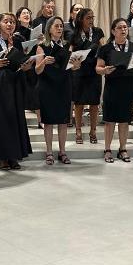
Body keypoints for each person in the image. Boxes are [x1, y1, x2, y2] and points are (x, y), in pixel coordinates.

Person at [0, 12, 34, 170]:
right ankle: (2, 157)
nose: (9, 24)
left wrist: (26, 65)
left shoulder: (18, 41)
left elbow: (20, 60)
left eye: (12, 22)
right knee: (2, 119)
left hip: (15, 82)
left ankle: (14, 155)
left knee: (15, 118)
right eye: (6, 21)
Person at [97, 18, 133, 163]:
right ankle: (107, 149)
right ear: (113, 31)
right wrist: (104, 70)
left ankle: (123, 149)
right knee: (110, 120)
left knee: (125, 120)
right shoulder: (106, 48)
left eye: (125, 27)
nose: (123, 30)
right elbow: (98, 68)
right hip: (112, 87)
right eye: (120, 27)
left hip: (128, 86)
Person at [34, 16, 80, 165]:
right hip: (47, 86)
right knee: (48, 122)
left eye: (61, 26)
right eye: (56, 26)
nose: (60, 29)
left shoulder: (67, 45)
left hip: (64, 85)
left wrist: (76, 65)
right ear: (49, 29)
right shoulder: (42, 46)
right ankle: (49, 152)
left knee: (63, 121)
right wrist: (44, 62)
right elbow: (37, 70)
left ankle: (62, 151)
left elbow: (72, 67)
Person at [69, 8, 104, 144]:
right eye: (88, 18)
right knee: (79, 102)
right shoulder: (74, 34)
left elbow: (103, 48)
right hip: (79, 71)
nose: (91, 20)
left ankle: (93, 130)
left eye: (92, 17)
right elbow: (70, 53)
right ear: (81, 19)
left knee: (94, 102)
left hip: (94, 71)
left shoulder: (98, 32)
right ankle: (78, 130)